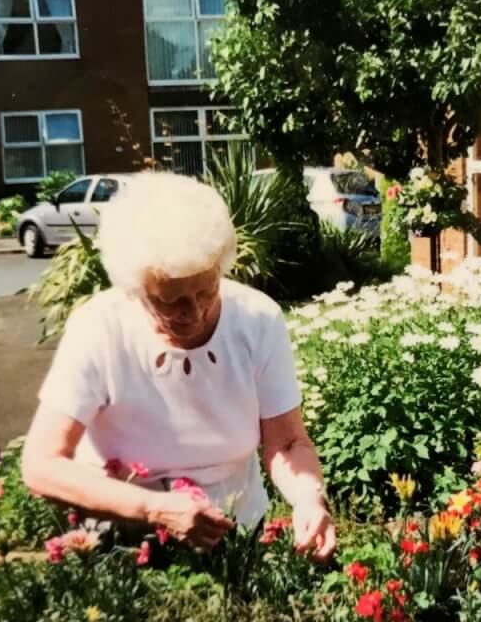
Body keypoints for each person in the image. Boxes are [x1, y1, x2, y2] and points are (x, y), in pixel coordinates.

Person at [22, 171, 335, 559]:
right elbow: (41, 463)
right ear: (134, 289)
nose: (195, 312)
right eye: (170, 300)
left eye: (206, 290)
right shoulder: (100, 328)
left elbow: (287, 442)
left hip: (236, 534)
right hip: (123, 540)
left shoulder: (257, 319)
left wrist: (308, 499)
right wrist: (154, 508)